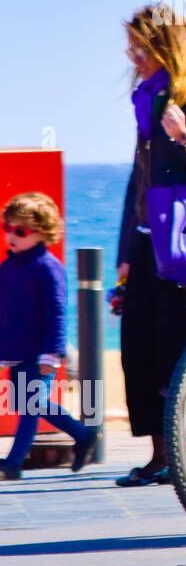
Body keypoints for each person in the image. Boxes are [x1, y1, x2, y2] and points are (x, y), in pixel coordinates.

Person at [115, 8, 186, 486]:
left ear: (164, 48)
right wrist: (124, 250)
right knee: (138, 349)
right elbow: (136, 181)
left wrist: (185, 141)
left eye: (139, 48)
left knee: (181, 345)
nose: (132, 57)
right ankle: (161, 453)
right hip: (148, 244)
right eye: (131, 48)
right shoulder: (149, 100)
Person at [1, 194, 97, 479]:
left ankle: (13, 463)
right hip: (16, 349)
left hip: (40, 351)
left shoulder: (48, 267)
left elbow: (57, 313)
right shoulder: (10, 266)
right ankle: (83, 435)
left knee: (30, 405)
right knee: (28, 403)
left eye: (21, 231)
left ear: (42, 233)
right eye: (7, 228)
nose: (11, 236)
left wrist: (53, 353)